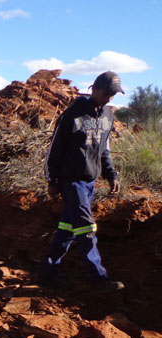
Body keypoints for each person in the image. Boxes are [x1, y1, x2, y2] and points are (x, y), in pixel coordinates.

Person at [38, 70, 125, 291]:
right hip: (71, 180)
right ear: (94, 89)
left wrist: (111, 174)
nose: (109, 99)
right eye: (107, 93)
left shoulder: (107, 115)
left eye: (113, 95)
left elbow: (104, 150)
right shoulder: (72, 115)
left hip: (90, 181)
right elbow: (54, 150)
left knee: (68, 227)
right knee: (86, 227)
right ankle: (98, 278)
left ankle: (47, 272)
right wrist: (52, 180)